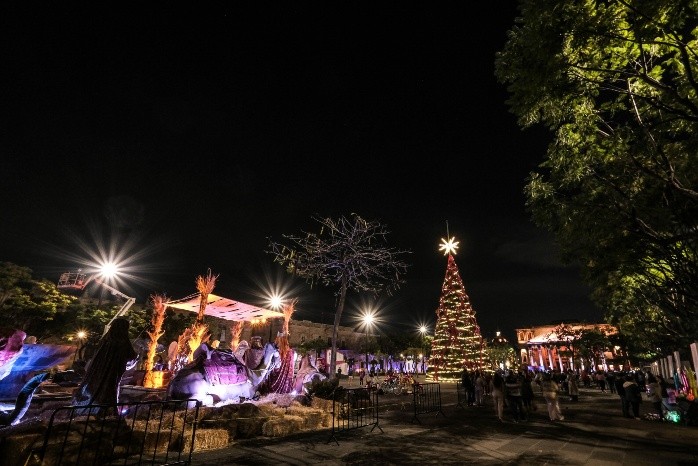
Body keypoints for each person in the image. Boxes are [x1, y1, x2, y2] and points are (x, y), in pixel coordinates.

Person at [71, 318, 138, 416]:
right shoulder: (123, 342)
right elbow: (131, 356)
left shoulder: (105, 341)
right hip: (112, 374)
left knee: (97, 390)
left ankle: (93, 411)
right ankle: (106, 413)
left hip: (98, 373)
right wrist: (135, 358)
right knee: (109, 391)